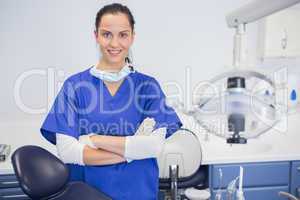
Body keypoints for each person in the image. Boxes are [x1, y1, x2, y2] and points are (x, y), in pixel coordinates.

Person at [40, 3, 182, 200]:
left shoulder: (148, 87)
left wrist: (93, 140)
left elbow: (154, 146)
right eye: (107, 34)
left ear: (132, 36)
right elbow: (68, 152)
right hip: (87, 194)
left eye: (123, 34)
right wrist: (133, 151)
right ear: (96, 36)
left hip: (137, 193)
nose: (115, 43)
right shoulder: (74, 86)